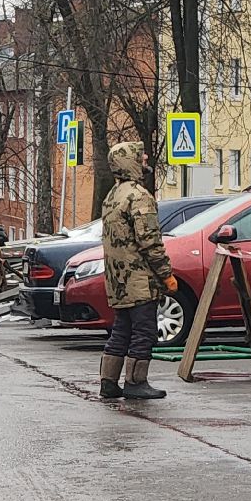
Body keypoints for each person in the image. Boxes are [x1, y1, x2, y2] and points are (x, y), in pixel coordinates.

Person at [99, 141, 178, 400]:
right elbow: (150, 241)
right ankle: (136, 382)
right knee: (144, 331)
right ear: (129, 162)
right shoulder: (139, 196)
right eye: (139, 157)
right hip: (139, 278)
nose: (145, 159)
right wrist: (166, 274)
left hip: (117, 278)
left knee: (122, 329)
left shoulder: (112, 196)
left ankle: (108, 382)